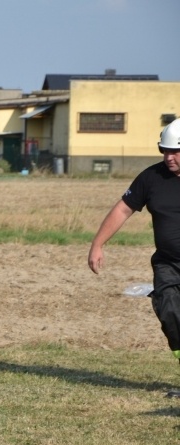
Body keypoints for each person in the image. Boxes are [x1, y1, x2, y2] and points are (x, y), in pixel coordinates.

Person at [88, 118, 180, 384]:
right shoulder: (151, 177)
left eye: (175, 151)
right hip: (167, 263)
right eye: (165, 150)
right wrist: (98, 244)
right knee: (169, 310)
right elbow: (122, 209)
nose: (168, 157)